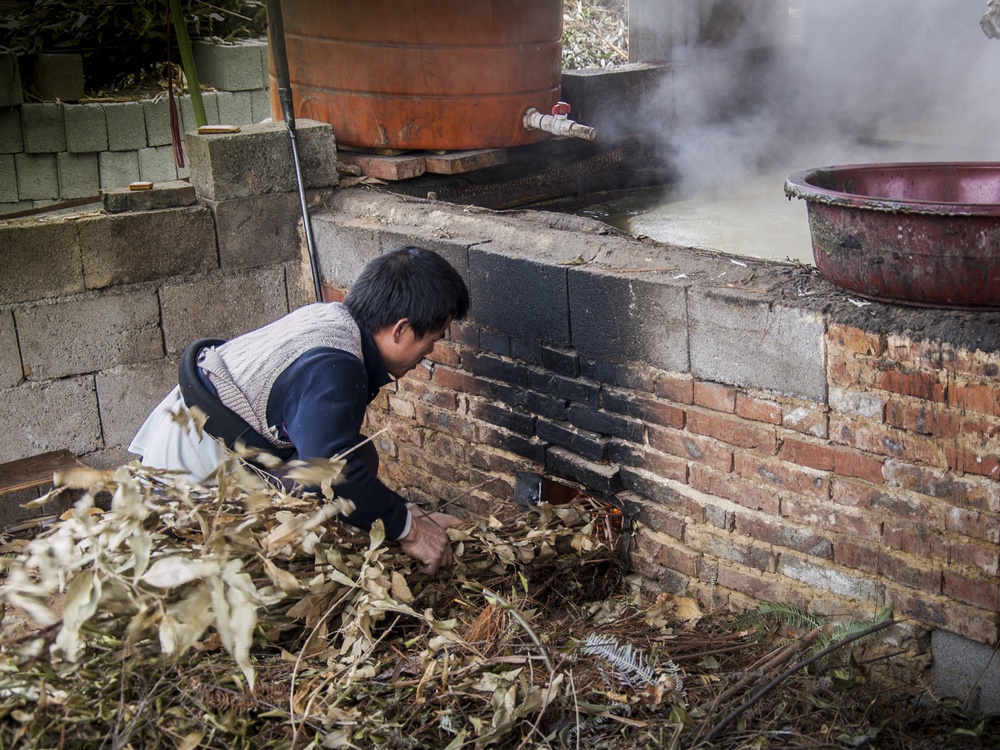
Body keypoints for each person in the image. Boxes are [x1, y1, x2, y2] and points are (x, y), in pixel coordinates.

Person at [129, 246, 471, 574]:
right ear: (401, 329)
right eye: (434, 339)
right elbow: (327, 471)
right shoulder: (335, 366)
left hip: (202, 438)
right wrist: (410, 530)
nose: (430, 352)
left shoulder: (333, 319)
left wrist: (410, 511)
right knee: (347, 468)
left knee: (358, 454)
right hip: (190, 479)